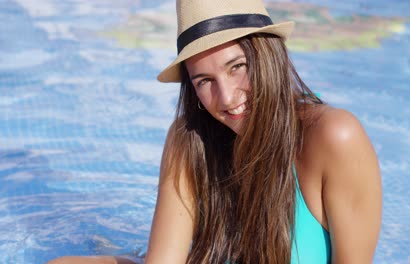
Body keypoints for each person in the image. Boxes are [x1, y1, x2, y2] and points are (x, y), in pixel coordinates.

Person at [49, 0, 382, 263]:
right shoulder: (189, 139)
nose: (227, 98)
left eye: (237, 67)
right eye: (204, 81)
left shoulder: (333, 137)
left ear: (267, 55)